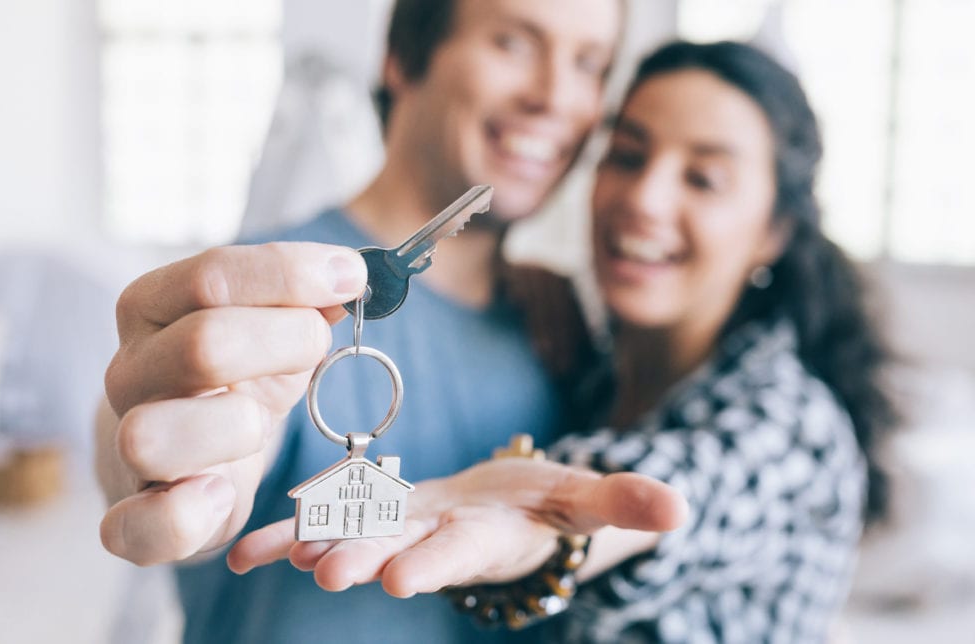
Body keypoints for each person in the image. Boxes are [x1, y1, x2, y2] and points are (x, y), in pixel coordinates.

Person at [233, 40, 900, 643]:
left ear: (773, 233)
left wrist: (549, 515)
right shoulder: (576, 356)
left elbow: (667, 491)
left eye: (703, 178)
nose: (644, 196)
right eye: (628, 155)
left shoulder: (788, 425)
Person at [95, 1, 688, 643]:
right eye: (514, 43)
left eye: (589, 63)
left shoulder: (564, 320)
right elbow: (185, 423)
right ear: (404, 57)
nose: (556, 96)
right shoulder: (271, 288)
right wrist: (175, 471)